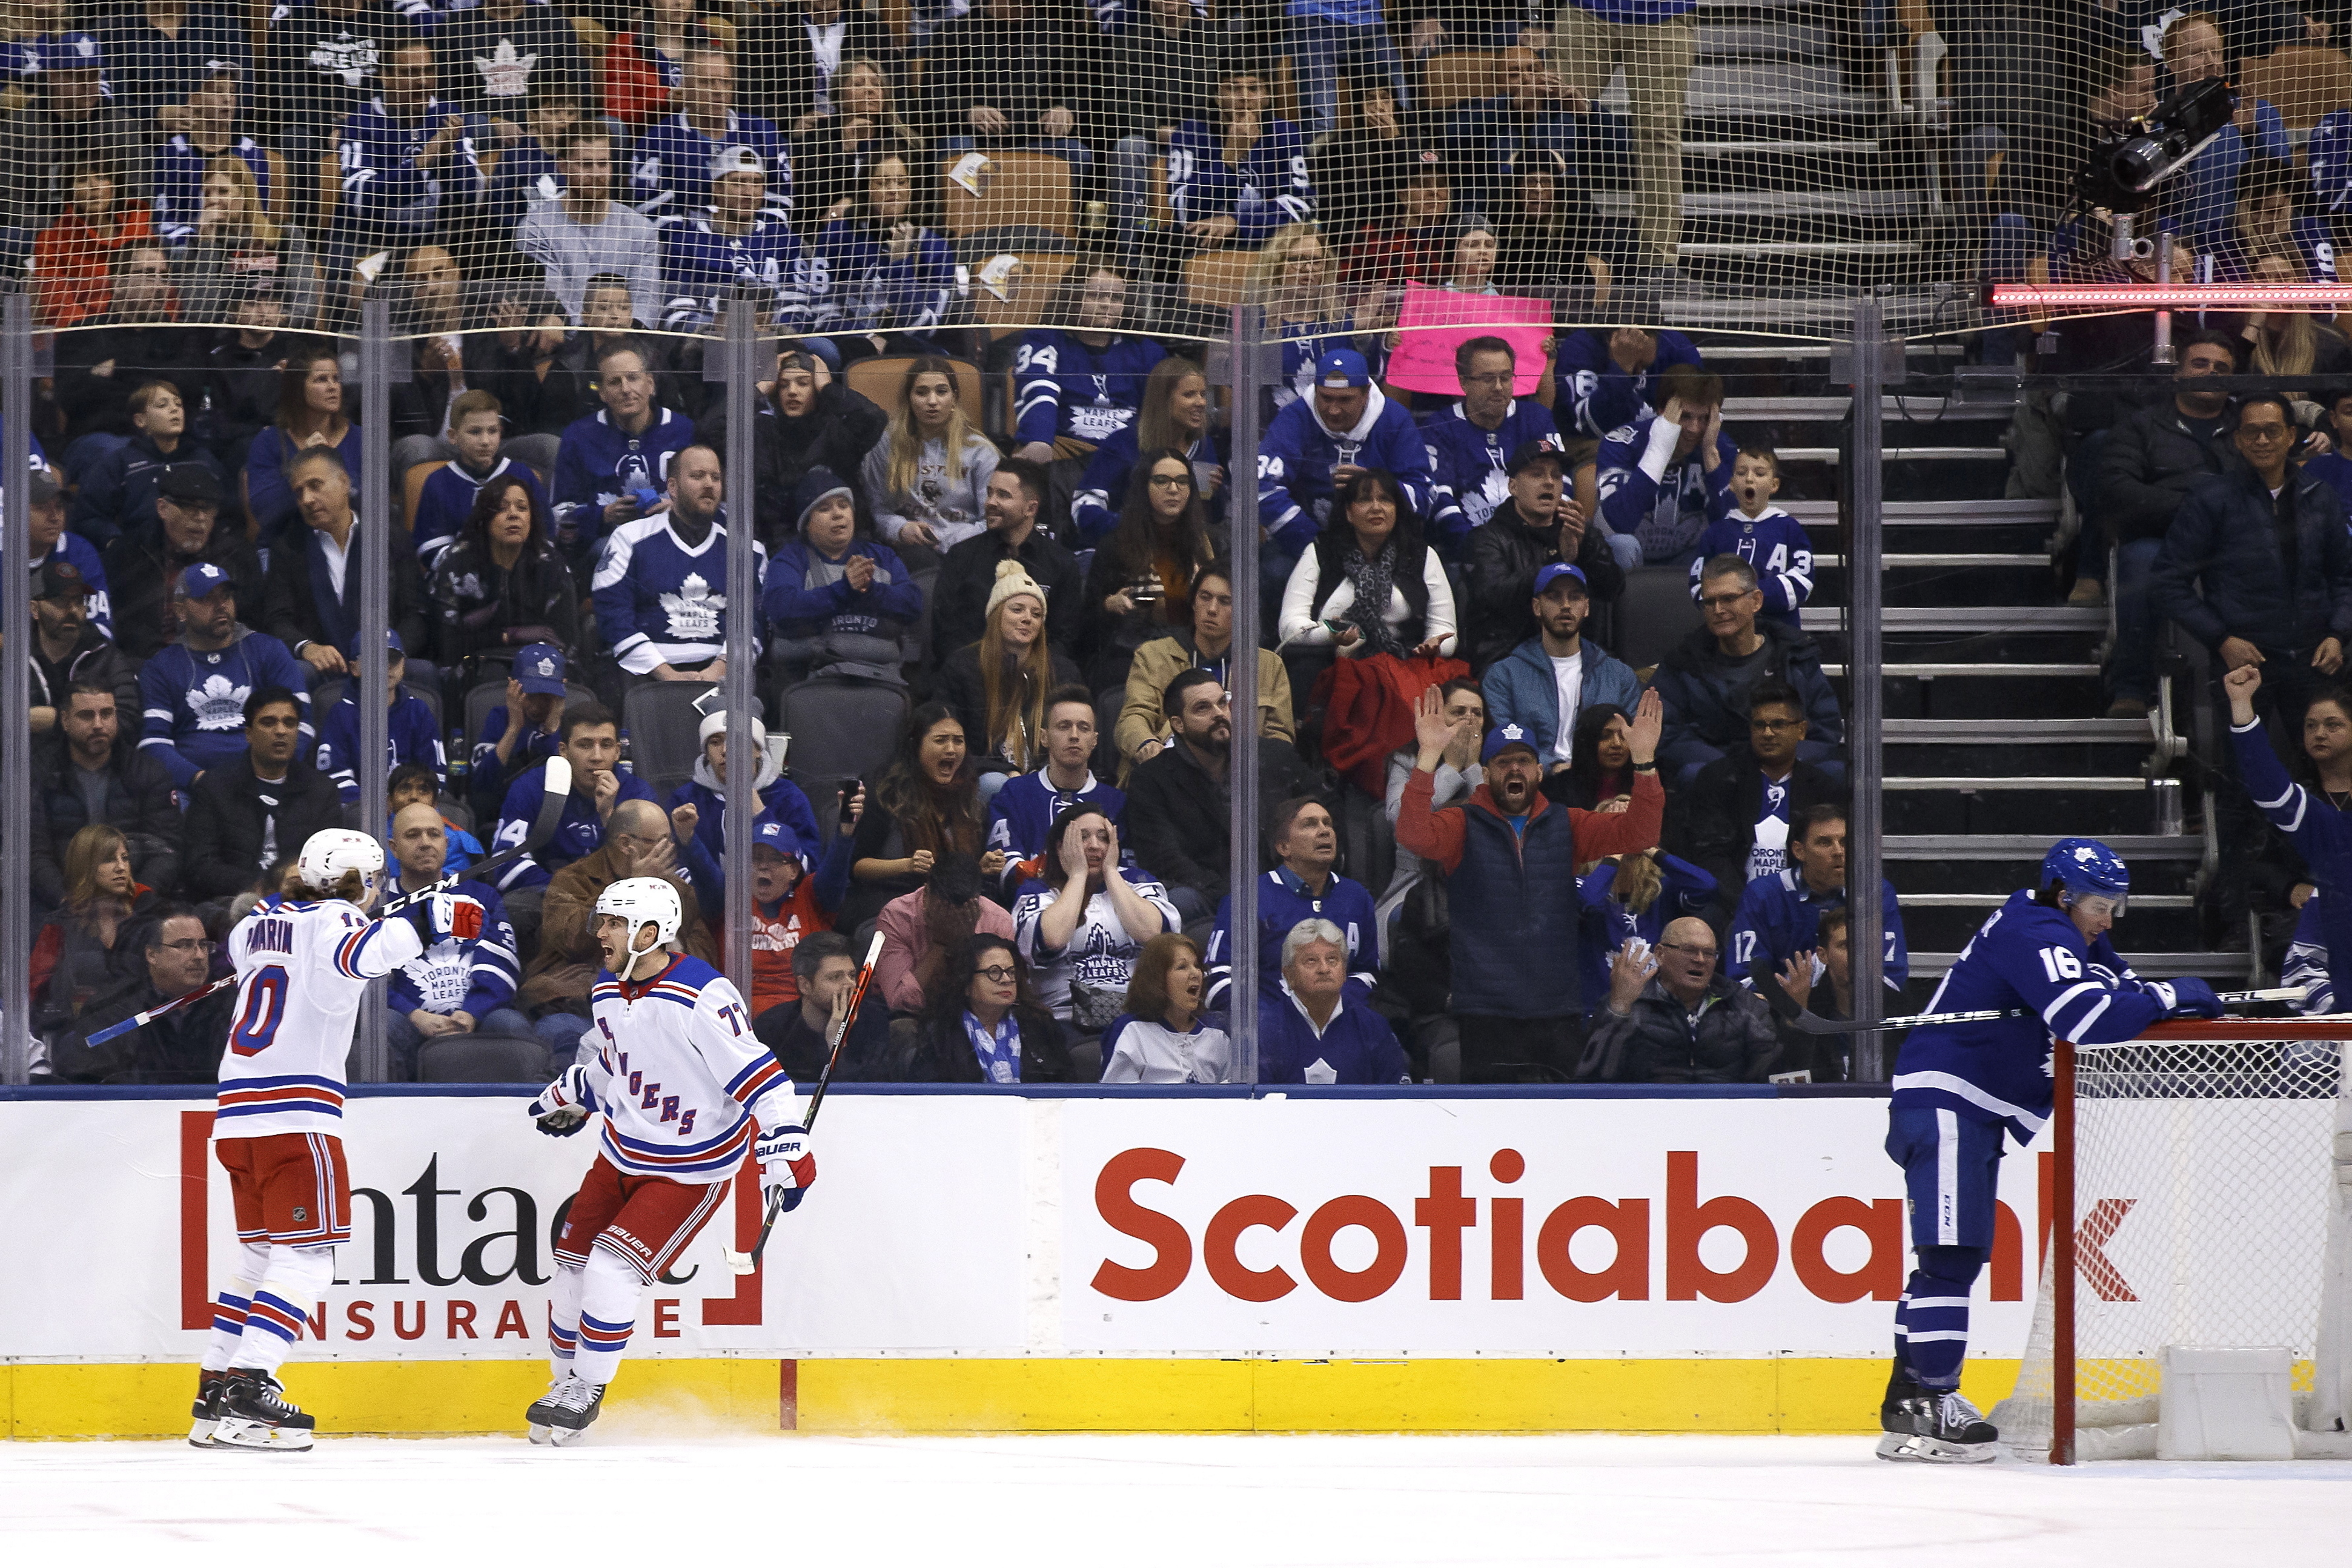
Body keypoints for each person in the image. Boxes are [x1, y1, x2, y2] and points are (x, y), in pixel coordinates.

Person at [1877, 838, 2222, 1461]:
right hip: (1950, 1101)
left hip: (1968, 1106)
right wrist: (2171, 997)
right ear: (2064, 896)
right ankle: (1930, 1402)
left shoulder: (2079, 934)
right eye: (2099, 906)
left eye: (2117, 905)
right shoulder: (2034, 929)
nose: (2109, 919)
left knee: (1950, 1258)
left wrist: (2158, 1000)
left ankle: (1909, 1405)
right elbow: (2087, 1019)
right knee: (1949, 1257)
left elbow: (2122, 992)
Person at [191, 829, 473, 1451]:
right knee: (308, 1260)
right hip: (298, 1119)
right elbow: (362, 956)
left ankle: (214, 1389)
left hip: (237, 1120)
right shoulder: (340, 920)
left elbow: (279, 947)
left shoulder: (259, 922)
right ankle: (250, 1385)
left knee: (260, 1259)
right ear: (363, 882)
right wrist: (435, 917)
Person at [520, 875, 813, 1444]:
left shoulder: (703, 995)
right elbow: (616, 1063)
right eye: (601, 920)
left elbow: (759, 1074)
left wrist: (786, 1140)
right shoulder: (608, 986)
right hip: (620, 1151)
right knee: (571, 1267)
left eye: (613, 922)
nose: (600, 932)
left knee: (611, 1268)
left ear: (650, 932)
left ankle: (587, 1389)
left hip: (690, 1166)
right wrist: (574, 1094)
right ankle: (563, 1387)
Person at [1396, 686, 1667, 1081]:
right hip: (1485, 1010)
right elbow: (1414, 835)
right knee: (1492, 1127)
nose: (1515, 769)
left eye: (1524, 760)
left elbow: (1640, 833)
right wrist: (1427, 759)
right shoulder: (1462, 824)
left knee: (1558, 1130)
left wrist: (1643, 761)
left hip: (1557, 1007)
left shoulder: (1567, 822)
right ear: (1486, 774)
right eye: (1503, 762)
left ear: (1539, 771)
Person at [2152, 390, 2352, 735]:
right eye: (2252, 432)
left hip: (2314, 657)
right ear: (2238, 440)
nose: (2262, 440)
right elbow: (2168, 581)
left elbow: (2345, 577)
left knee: (2321, 769)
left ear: (2292, 436)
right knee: (2242, 770)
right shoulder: (2211, 500)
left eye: (2273, 431)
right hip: (2243, 658)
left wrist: (2338, 634)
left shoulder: (2320, 496)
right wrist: (2221, 639)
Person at [2096, 331, 2239, 716]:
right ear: (2177, 373)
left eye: (2222, 368)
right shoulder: (2141, 426)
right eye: (2200, 363)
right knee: (2141, 562)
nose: (2211, 372)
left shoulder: (2248, 429)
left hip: (2234, 539)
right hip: (2162, 537)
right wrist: (2194, 511)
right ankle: (2132, 688)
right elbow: (2118, 489)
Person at [515, 798, 718, 1047]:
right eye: (660, 842)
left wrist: (668, 943)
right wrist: (629, 889)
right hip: (577, 1003)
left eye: (670, 840)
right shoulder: (573, 880)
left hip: (655, 1006)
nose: (670, 849)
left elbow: (704, 956)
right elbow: (573, 941)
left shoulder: (676, 891)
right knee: (563, 1032)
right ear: (625, 843)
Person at [1125, 669, 1315, 925]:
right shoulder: (1151, 779)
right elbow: (1164, 858)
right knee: (1180, 901)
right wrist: (1232, 898)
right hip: (1207, 897)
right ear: (1178, 724)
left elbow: (1322, 809)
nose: (1218, 714)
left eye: (1222, 703)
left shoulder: (1275, 756)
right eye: (1202, 708)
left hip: (1283, 885)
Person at [2225, 663, 2352, 1023]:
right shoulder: (2328, 825)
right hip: (2343, 1022)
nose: (2320, 733)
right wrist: (2241, 706)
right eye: (2311, 725)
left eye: (2333, 724)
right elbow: (2269, 789)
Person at [380, 802, 541, 1081]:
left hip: (478, 1016)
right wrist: (414, 1014)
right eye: (413, 835)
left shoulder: (482, 896)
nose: (425, 843)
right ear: (393, 848)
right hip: (409, 1018)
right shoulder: (379, 904)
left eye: (434, 834)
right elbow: (372, 978)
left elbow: (501, 960)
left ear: (446, 842)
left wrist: (472, 1012)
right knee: (383, 1027)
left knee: (510, 1024)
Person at [1653, 554, 1843, 790]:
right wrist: (1728, 767)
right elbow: (1667, 733)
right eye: (1709, 602)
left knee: (1834, 772)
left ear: (1756, 601)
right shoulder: (1683, 662)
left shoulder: (1795, 655)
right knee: (1693, 774)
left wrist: (1781, 763)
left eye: (1729, 599)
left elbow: (1825, 729)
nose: (1718, 610)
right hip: (1717, 777)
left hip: (1788, 771)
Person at [1549, 0, 1697, 291]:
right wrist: (1541, 19)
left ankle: (1658, 259)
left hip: (1664, 16)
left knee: (1659, 137)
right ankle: (1539, 251)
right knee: (1554, 117)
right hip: (1585, 11)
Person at [1258, 349, 1439, 584]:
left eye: (1345, 400)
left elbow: (1426, 493)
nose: (1333, 409)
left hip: (1385, 545)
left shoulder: (1394, 419)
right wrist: (1316, 546)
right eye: (1326, 398)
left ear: (1366, 393)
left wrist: (1374, 486)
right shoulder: (1296, 417)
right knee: (1275, 572)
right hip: (1309, 542)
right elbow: (1261, 487)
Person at [593, 442, 764, 686]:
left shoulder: (747, 550)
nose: (709, 484)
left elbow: (753, 622)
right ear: (672, 487)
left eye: (715, 478)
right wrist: (666, 674)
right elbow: (613, 614)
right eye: (698, 476)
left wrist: (719, 669)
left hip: (724, 675)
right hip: (647, 674)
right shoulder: (629, 538)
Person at [1012, 802, 1177, 1047]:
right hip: (1064, 1019)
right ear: (1060, 846)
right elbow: (1052, 939)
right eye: (1083, 837)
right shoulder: (1037, 891)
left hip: (1137, 1017)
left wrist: (1111, 872)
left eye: (1104, 838)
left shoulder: (1138, 883)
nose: (1095, 845)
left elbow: (1154, 935)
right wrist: (1078, 876)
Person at [137, 564, 313, 792]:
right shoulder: (161, 666)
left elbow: (303, 725)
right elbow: (154, 743)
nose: (221, 606)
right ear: (181, 611)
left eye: (227, 596)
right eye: (207, 598)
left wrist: (267, 775)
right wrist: (200, 781)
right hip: (194, 789)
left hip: (268, 781)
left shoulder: (269, 650)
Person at [260, 449, 431, 682]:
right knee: (300, 673)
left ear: (344, 482)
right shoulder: (289, 548)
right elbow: (277, 619)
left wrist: (392, 651)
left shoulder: (389, 538)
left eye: (315, 485)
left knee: (426, 674)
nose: (307, 500)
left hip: (385, 661)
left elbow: (416, 612)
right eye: (299, 492)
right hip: (323, 668)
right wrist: (307, 648)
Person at [1116, 565, 1296, 781]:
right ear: (1193, 603)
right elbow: (1133, 716)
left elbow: (1280, 736)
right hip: (1168, 772)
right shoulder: (1153, 655)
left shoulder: (1268, 665)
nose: (1212, 609)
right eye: (1205, 597)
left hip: (1242, 779)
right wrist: (1147, 745)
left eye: (1225, 601)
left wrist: (1252, 765)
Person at [1674, 680, 1847, 902]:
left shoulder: (1823, 788)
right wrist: (1747, 902)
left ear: (1801, 730)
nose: (1767, 733)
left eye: (1778, 724)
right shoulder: (1719, 779)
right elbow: (1711, 854)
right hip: (1732, 901)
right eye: (1759, 725)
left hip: (1804, 903)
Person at [1204, 792, 1379, 1011]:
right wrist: (1277, 1019)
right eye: (1309, 825)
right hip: (1270, 1032)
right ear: (1283, 847)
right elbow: (1219, 979)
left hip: (1340, 1026)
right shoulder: (1248, 899)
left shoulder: (1357, 897)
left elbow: (1367, 972)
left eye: (1328, 823)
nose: (1324, 831)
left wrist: (1332, 1010)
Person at [1463, 443, 1629, 672]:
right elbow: (1495, 597)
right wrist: (1560, 560)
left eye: (1557, 475)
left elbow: (1613, 588)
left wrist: (1585, 548)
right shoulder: (1488, 538)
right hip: (1509, 658)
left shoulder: (1580, 532)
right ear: (1513, 487)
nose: (1549, 482)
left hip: (1579, 657)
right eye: (1536, 474)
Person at [698, 350, 888, 543]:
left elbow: (874, 418)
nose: (792, 391)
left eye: (803, 383)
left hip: (838, 543)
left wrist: (828, 388)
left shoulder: (839, 432)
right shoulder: (761, 431)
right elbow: (709, 430)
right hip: (777, 544)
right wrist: (759, 388)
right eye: (783, 385)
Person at [1277, 468, 1458, 667]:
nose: (1376, 508)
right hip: (1330, 664)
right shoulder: (1321, 552)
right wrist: (1331, 635)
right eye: (1364, 500)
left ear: (1396, 509)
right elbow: (1289, 628)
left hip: (1406, 665)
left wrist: (1433, 647)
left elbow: (1444, 630)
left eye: (1385, 500)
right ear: (1349, 512)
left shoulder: (1421, 556)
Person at [846, 706, 1005, 933]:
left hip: (954, 906)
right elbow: (857, 867)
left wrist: (979, 868)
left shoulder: (968, 794)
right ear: (916, 745)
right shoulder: (885, 791)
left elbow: (958, 877)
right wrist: (907, 865)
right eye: (941, 741)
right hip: (889, 903)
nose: (951, 749)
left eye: (958, 741)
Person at [1724, 802, 1907, 998]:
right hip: (1780, 1016)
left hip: (1851, 1014)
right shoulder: (1762, 895)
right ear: (1799, 851)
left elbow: (1891, 976)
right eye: (1825, 843)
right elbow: (1745, 979)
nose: (1839, 851)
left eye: (1845, 842)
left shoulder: (1875, 892)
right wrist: (1793, 1006)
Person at [181, 689, 342, 904]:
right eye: (268, 723)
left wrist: (290, 886)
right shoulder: (214, 787)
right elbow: (200, 865)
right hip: (232, 899)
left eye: (289, 723)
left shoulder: (322, 790)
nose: (281, 731)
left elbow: (330, 862)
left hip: (303, 900)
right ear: (249, 733)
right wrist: (258, 886)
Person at [761, 467, 921, 683]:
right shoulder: (790, 559)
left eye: (844, 506)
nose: (838, 514)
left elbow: (913, 602)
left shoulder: (882, 557)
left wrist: (870, 590)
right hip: (812, 680)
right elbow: (782, 606)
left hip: (880, 677)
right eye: (824, 509)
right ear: (807, 523)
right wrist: (844, 590)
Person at [488, 703, 661, 899]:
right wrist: (567, 891)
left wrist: (609, 817)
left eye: (606, 745)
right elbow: (505, 866)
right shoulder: (531, 787)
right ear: (563, 750)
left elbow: (649, 872)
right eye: (585, 745)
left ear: (617, 752)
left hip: (621, 906)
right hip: (549, 899)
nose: (596, 757)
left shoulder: (638, 795)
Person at [31, 681, 181, 909]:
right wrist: (66, 901)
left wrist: (137, 898)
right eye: (86, 716)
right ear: (65, 721)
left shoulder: (148, 772)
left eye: (107, 714)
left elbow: (165, 850)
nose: (98, 724)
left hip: (136, 902)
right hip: (60, 902)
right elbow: (34, 851)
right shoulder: (39, 773)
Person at [1579, 915, 1783, 1082]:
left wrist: (1794, 1024)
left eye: (1709, 953)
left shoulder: (1742, 1003)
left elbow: (1778, 1075)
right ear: (1660, 954)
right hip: (1651, 1116)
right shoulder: (1630, 1003)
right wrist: (1619, 1010)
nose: (1700, 960)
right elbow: (1592, 1081)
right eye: (1690, 950)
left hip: (1724, 1115)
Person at [938, 562, 1087, 790]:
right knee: (995, 784)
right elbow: (953, 742)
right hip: (983, 776)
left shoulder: (1063, 671)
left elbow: (1077, 737)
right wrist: (1006, 771)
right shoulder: (962, 667)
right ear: (996, 616)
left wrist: (1045, 772)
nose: (1028, 618)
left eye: (1037, 614)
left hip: (1049, 775)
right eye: (1017, 609)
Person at [1479, 562, 1640, 771]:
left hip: (1600, 781)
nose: (1566, 605)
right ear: (1537, 607)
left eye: (1575, 597)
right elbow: (1504, 745)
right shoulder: (1503, 675)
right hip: (1535, 785)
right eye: (1554, 597)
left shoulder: (1620, 677)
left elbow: (1632, 743)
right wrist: (1553, 768)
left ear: (1587, 607)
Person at [47, 905, 231, 1085]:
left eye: (203, 945)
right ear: (152, 955)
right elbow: (84, 1081)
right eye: (184, 946)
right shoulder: (114, 1013)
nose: (199, 956)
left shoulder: (231, 1006)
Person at [104, 462, 265, 661]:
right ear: (162, 508)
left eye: (208, 508)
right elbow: (123, 625)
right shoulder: (128, 554)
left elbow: (255, 621)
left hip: (225, 662)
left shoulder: (238, 555)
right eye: (189, 507)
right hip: (150, 663)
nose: (200, 518)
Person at [430, 472, 581, 683]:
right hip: (475, 665)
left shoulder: (551, 564)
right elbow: (446, 644)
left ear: (532, 519)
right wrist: (509, 635)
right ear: (484, 519)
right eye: (502, 508)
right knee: (493, 674)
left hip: (541, 665)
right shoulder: (456, 563)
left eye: (522, 508)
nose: (514, 515)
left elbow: (565, 640)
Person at [1420, 336, 1565, 555]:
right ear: (1463, 381)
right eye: (1488, 379)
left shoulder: (1537, 419)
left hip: (1536, 544)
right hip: (1470, 552)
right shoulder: (1439, 427)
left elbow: (1561, 481)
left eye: (1505, 378)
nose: (1498, 387)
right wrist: (1479, 547)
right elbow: (1440, 495)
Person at [551, 337, 697, 555]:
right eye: (615, 382)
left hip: (677, 540)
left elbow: (712, 501)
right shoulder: (579, 436)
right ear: (602, 393)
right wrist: (603, 516)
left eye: (633, 378)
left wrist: (678, 509)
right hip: (608, 545)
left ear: (650, 384)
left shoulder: (685, 431)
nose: (626, 389)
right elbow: (560, 513)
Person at [930, 457, 1085, 662]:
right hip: (971, 674)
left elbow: (1065, 638)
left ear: (1031, 509)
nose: (990, 503)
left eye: (1003, 495)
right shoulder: (962, 555)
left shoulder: (1061, 564)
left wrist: (1026, 668)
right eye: (990, 493)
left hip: (1036, 677)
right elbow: (945, 631)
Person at [807, 151, 956, 360]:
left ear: (912, 188)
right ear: (867, 188)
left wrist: (899, 266)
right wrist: (867, 337)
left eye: (901, 182)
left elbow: (926, 328)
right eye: (882, 183)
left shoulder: (935, 248)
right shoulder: (837, 236)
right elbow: (820, 308)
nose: (894, 191)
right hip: (853, 346)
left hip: (912, 352)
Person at [666, 707, 823, 902]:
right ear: (705, 752)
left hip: (776, 909)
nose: (725, 750)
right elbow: (671, 867)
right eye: (715, 742)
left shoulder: (788, 797)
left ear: (758, 750)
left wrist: (759, 814)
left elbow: (809, 870)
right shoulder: (685, 800)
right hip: (704, 907)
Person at [656, 144, 814, 334]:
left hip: (773, 339)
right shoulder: (685, 242)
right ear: (716, 188)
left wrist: (775, 331)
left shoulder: (784, 241)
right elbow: (675, 306)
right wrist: (714, 330)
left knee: (823, 349)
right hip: (707, 343)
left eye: (757, 183)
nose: (749, 192)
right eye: (739, 182)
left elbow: (797, 304)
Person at [628, 48, 789, 229]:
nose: (719, 91)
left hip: (755, 243)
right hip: (687, 249)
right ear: (685, 87)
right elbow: (651, 213)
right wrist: (706, 236)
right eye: (707, 82)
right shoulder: (657, 141)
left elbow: (780, 201)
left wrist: (755, 238)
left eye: (726, 82)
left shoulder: (764, 133)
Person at [1073, 358, 1226, 547]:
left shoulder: (1203, 445)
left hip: (1183, 552)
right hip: (1124, 550)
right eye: (1189, 395)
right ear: (1163, 399)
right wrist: (1134, 529)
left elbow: (1213, 518)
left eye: (1203, 394)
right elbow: (1084, 508)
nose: (1201, 403)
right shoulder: (1123, 443)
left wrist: (1213, 493)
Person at [518, 127, 663, 325]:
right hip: (563, 342)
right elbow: (551, 299)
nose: (596, 174)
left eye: (603, 164)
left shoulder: (641, 229)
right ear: (563, 167)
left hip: (624, 340)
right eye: (585, 164)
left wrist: (627, 338)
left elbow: (646, 298)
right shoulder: (536, 228)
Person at [1167, 62, 1314, 254]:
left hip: (1271, 242)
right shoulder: (1190, 132)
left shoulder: (1285, 132)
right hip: (1204, 242)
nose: (1245, 97)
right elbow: (1182, 207)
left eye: (1254, 88)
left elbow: (1302, 204)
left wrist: (1238, 222)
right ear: (1217, 97)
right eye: (1233, 88)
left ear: (1268, 97)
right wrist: (1229, 159)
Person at [860, 356, 997, 560]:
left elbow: (992, 520)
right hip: (909, 550)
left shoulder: (980, 451)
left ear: (954, 398)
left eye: (941, 392)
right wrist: (900, 529)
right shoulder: (887, 444)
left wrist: (949, 542)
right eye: (922, 393)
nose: (932, 401)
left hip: (966, 550)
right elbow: (876, 509)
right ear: (909, 398)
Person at [1594, 363, 1734, 564]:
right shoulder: (1622, 442)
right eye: (1685, 416)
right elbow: (1619, 521)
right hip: (1631, 557)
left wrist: (1711, 455)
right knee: (1622, 545)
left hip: (1690, 559)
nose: (1695, 429)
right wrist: (1660, 450)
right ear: (1662, 410)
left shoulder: (1722, 448)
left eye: (1704, 418)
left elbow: (1733, 527)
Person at [721, 809, 856, 1017]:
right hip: (742, 1017)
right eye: (756, 858)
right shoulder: (731, 901)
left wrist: (845, 833)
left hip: (803, 1019)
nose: (764, 866)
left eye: (776, 859)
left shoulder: (811, 896)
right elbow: (704, 876)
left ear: (794, 870)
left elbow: (835, 872)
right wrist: (689, 842)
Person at [31, 823, 161, 1037]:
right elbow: (39, 992)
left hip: (146, 1036)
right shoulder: (60, 925)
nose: (121, 867)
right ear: (86, 866)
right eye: (110, 860)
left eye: (125, 858)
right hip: (80, 1038)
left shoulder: (150, 916)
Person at [412, 390, 558, 572]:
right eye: (475, 432)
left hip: (520, 579)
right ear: (453, 436)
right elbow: (430, 548)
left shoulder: (522, 475)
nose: (485, 441)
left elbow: (546, 534)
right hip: (461, 582)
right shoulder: (438, 482)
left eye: (493, 431)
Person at [901, 933, 1072, 1083]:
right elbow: (927, 1098)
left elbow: (1066, 1086)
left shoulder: (1039, 1024)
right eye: (994, 972)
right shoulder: (941, 1033)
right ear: (966, 982)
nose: (1006, 980)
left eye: (1011, 972)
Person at [987, 685, 1126, 871]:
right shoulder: (1015, 793)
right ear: (1044, 737)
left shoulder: (1116, 802)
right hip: (1035, 897)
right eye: (1064, 727)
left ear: (1095, 740)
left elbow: (1126, 872)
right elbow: (1009, 867)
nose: (1074, 736)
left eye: (1084, 728)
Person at [72, 379, 224, 547]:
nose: (175, 410)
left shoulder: (203, 460)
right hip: (139, 555)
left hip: (198, 551)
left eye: (179, 404)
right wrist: (115, 542)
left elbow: (228, 510)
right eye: (162, 405)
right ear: (140, 420)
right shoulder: (120, 462)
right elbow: (89, 516)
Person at [1259, 917, 1410, 1084]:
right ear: (1289, 975)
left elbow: (1396, 1101)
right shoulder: (1264, 1030)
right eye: (1311, 961)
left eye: (1332, 959)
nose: (1324, 969)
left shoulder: (1373, 1028)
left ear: (1344, 971)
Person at [242, 348, 361, 551]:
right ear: (298, 388)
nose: (333, 387)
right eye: (321, 380)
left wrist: (328, 468)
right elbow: (265, 512)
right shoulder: (269, 442)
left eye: (336, 379)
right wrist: (303, 464)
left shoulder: (361, 439)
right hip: (284, 549)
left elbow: (373, 503)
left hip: (350, 546)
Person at [873, 849, 1017, 1016]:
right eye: (945, 907)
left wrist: (967, 943)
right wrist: (940, 944)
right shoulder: (896, 916)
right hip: (919, 1018)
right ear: (926, 892)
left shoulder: (999, 921)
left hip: (981, 1014)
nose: (953, 917)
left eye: (962, 908)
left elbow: (1003, 994)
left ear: (977, 898)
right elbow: (900, 1002)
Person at [313, 633, 445, 804]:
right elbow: (335, 778)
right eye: (376, 660)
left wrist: (408, 805)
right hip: (359, 813)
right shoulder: (340, 714)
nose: (387, 666)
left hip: (413, 810)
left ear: (403, 666)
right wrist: (376, 807)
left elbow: (436, 775)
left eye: (394, 660)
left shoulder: (419, 711)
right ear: (355, 668)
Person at [1688, 446, 1809, 630]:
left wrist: (1748, 598)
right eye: (1741, 473)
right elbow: (1698, 583)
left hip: (1780, 632)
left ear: (1774, 485)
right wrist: (1729, 602)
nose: (1749, 479)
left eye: (1760, 473)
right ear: (1732, 484)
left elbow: (1802, 582)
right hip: (1727, 636)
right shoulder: (1716, 532)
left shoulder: (1789, 528)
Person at [754, 928, 893, 1081]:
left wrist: (838, 1041)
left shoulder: (874, 1021)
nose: (850, 984)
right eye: (835, 977)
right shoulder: (771, 1027)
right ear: (805, 985)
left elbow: (865, 1095)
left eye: (852, 975)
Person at [1099, 932, 1229, 1083]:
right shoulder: (1130, 1031)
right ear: (1156, 979)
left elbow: (1234, 1099)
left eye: (1197, 966)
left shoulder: (1217, 1034)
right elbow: (1115, 1101)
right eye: (1182, 967)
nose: (1196, 973)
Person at [25, 561, 139, 732]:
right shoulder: (14, 655)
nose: (72, 610)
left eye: (78, 601)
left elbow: (129, 721)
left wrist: (59, 722)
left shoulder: (105, 656)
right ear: (35, 609)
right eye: (60, 602)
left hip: (86, 757)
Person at [469, 643, 572, 829]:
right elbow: (482, 782)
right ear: (512, 686)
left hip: (555, 813)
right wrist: (515, 727)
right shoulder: (499, 717)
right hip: (503, 809)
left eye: (546, 696)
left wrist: (552, 729)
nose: (537, 705)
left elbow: (567, 781)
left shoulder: (571, 725)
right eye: (530, 695)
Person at [1555, 323, 1705, 448]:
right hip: (1591, 444)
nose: (1634, 346)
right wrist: (1622, 368)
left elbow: (1697, 413)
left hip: (1663, 444)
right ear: (1612, 338)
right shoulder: (1579, 348)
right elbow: (1591, 426)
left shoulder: (1677, 346)